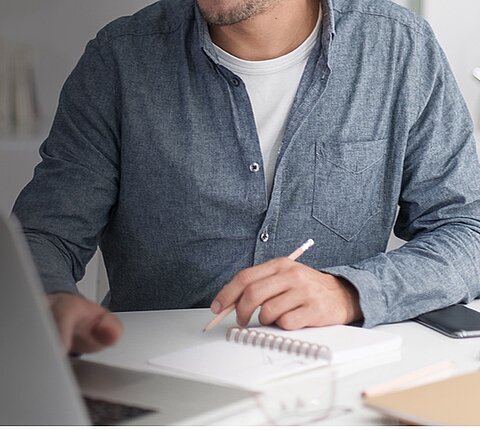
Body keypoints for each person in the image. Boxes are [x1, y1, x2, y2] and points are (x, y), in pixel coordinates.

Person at [13, 0, 480, 355]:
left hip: (331, 369)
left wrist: (352, 292)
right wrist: (48, 298)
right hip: (159, 370)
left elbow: (468, 232)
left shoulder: (400, 48)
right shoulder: (119, 59)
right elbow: (43, 233)